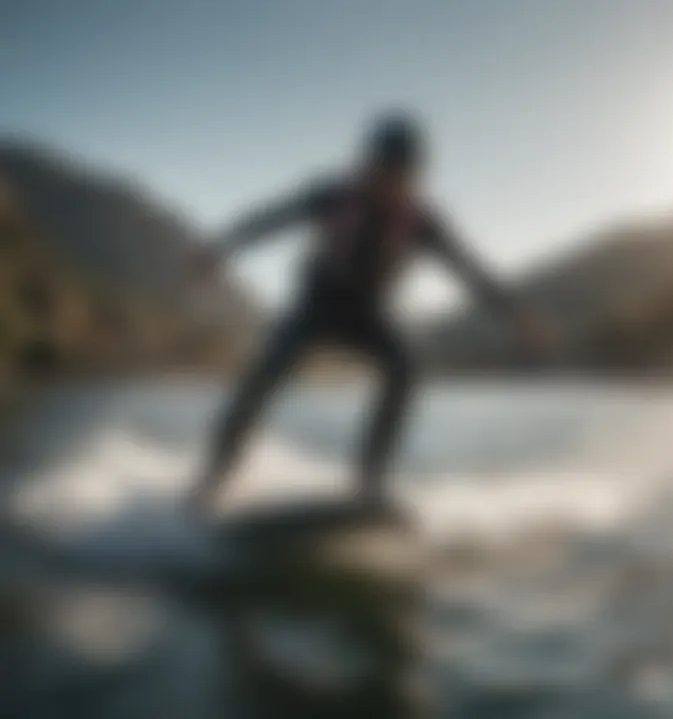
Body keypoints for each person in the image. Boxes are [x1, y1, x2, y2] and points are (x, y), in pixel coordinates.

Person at [188, 112, 557, 516]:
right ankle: (212, 481)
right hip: (315, 308)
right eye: (384, 170)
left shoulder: (421, 221)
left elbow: (470, 270)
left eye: (403, 175)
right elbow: (268, 219)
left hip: (367, 317)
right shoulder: (332, 195)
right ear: (368, 164)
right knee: (266, 371)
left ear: (415, 176)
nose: (391, 183)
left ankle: (368, 484)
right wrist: (220, 250)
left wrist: (516, 315)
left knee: (405, 367)